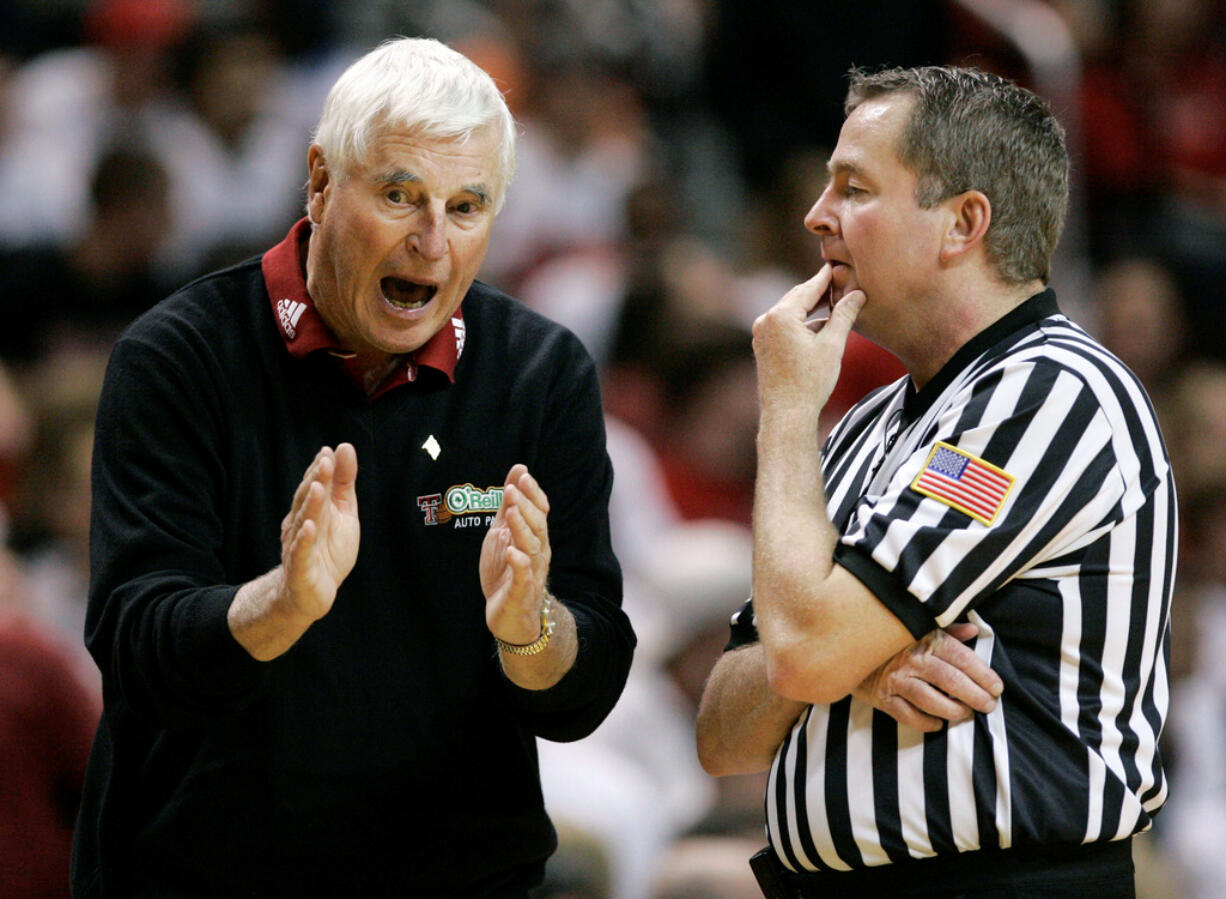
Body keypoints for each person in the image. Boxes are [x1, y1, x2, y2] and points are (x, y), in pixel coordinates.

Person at [72, 36, 635, 898]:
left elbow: (585, 680)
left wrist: (529, 627)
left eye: (466, 206)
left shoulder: (541, 373)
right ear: (322, 180)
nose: (432, 242)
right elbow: (137, 644)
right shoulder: (178, 356)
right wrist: (285, 602)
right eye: (401, 195)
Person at [696, 65, 1175, 897]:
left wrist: (783, 409)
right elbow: (724, 730)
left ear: (963, 223)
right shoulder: (864, 426)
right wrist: (866, 663)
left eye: (854, 187)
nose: (816, 215)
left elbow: (802, 656)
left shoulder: (1053, 391)